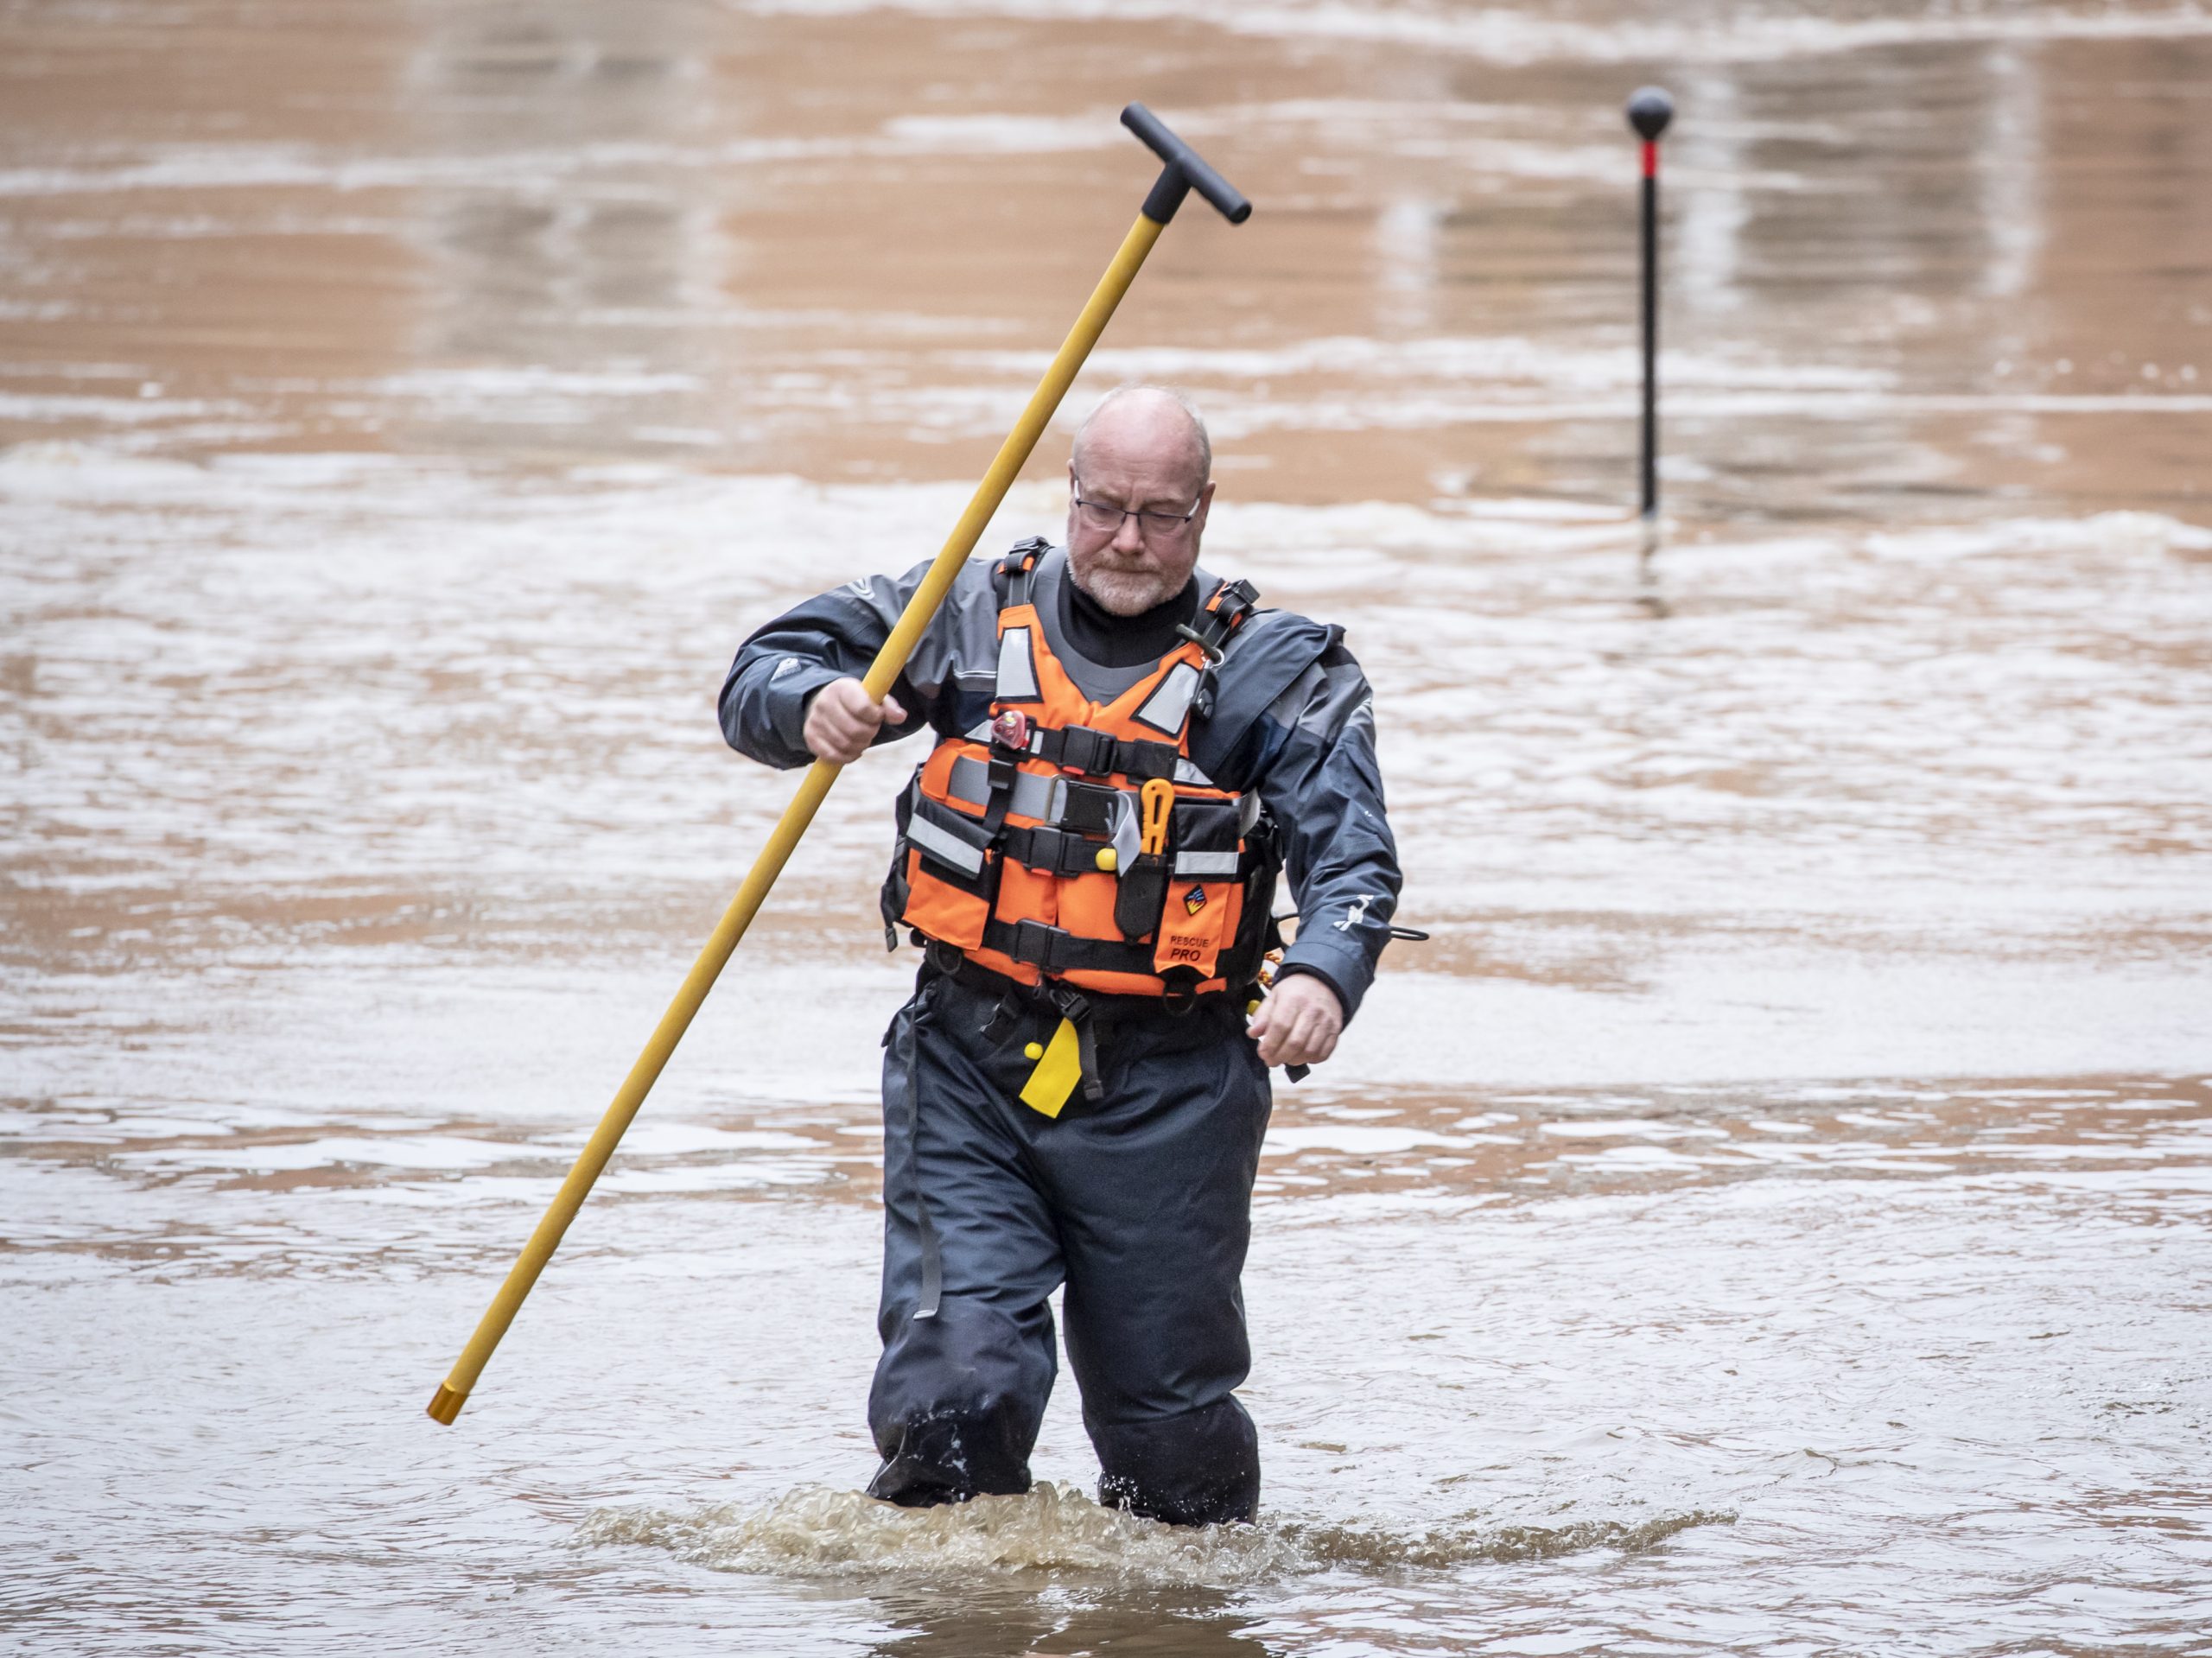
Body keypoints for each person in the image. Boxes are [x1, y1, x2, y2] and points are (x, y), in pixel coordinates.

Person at [718, 385, 1402, 1527]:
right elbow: (761, 671)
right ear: (1069, 494)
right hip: (969, 1065)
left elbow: (1356, 864)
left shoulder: (1281, 673)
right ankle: (952, 1606)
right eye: (1104, 508)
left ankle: (1179, 1607)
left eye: (1160, 515)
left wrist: (1323, 976)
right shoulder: (963, 612)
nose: (1128, 539)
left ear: (1205, 510)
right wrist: (810, 703)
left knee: (1173, 1457)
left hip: (1173, 1090)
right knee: (956, 1395)